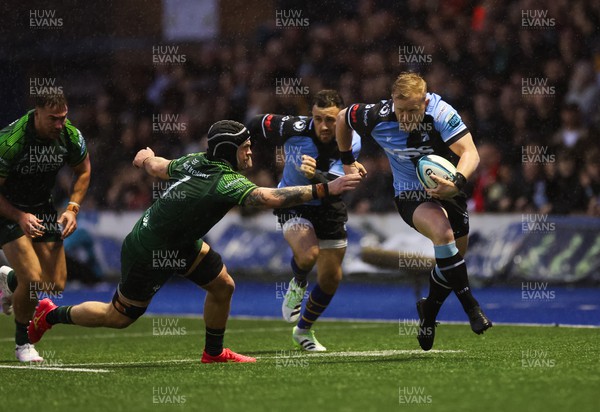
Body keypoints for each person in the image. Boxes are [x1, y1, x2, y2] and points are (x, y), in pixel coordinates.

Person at [27, 120, 361, 363]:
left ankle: (213, 353)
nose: (250, 151)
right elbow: (269, 197)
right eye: (245, 147)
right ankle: (50, 314)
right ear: (230, 151)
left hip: (178, 240)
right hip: (150, 249)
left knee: (223, 286)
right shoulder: (225, 181)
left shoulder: (197, 161)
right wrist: (324, 189)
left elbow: (159, 167)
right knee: (119, 317)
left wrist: (144, 158)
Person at [336, 72, 492, 351]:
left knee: (453, 258)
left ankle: (428, 312)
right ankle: (472, 308)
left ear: (426, 101)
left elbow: (471, 153)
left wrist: (456, 182)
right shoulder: (376, 115)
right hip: (409, 194)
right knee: (442, 235)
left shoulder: (441, 112)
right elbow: (342, 118)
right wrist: (348, 161)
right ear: (392, 102)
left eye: (413, 111)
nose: (406, 117)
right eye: (401, 110)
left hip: (448, 185)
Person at [247, 90, 361, 352]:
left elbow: (340, 184)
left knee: (331, 278)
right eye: (318, 118)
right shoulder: (290, 127)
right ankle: (298, 283)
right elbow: (254, 124)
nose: (323, 126)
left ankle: (303, 330)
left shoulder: (351, 139)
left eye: (331, 120)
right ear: (311, 115)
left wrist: (316, 174)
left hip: (329, 207)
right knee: (308, 254)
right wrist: (243, 156)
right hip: (293, 201)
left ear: (341, 118)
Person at [0, 93, 91, 362]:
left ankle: (8, 280)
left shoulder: (70, 135)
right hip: (8, 210)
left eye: (63, 118)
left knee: (54, 285)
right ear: (36, 113)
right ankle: (22, 344)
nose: (60, 124)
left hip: (42, 208)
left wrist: (73, 208)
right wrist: (19, 216)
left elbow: (83, 170)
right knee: (32, 281)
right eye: (53, 119)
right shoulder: (10, 141)